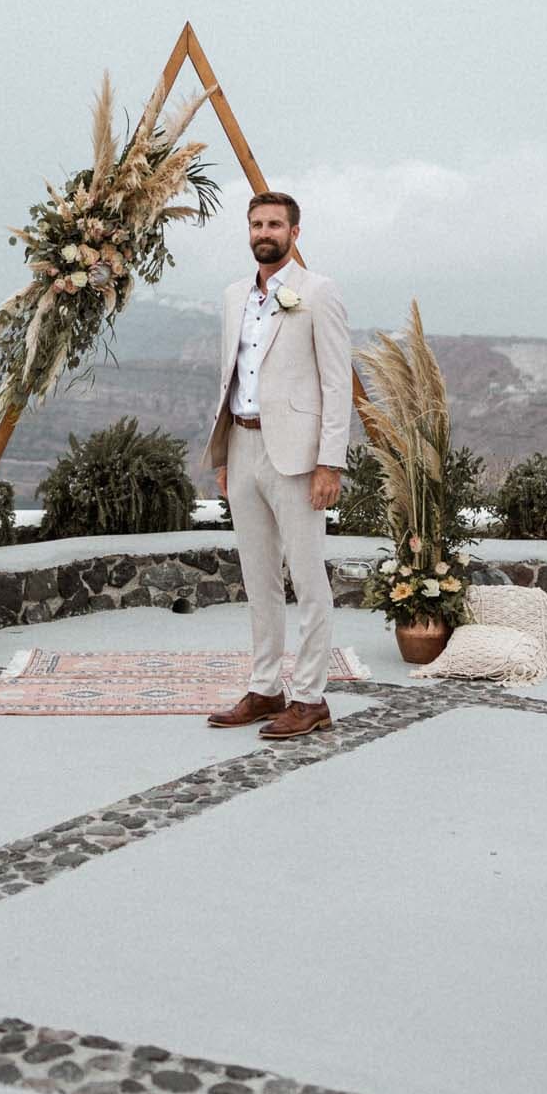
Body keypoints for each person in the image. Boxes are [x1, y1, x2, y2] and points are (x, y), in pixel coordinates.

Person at [204, 190, 351, 739]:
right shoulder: (232, 296)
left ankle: (310, 698)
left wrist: (329, 463)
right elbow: (230, 378)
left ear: (294, 232)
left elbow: (336, 384)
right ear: (248, 231)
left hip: (296, 455)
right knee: (258, 578)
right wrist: (223, 454)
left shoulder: (318, 292)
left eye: (274, 224)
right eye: (256, 223)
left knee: (310, 579)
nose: (264, 232)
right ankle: (266, 688)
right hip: (242, 449)